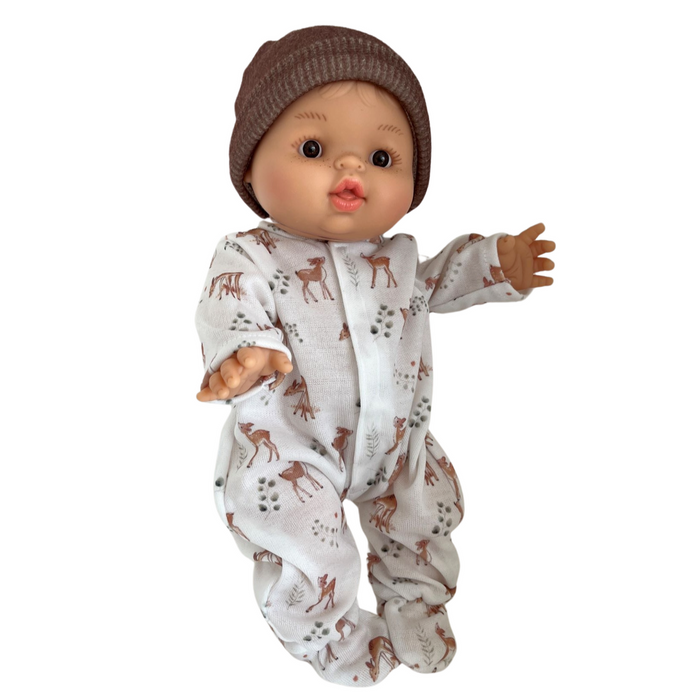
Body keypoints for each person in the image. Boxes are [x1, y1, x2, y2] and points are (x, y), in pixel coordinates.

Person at [195, 26, 555, 686]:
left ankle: (416, 601)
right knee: (305, 543)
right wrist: (246, 351)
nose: (351, 169)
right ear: (249, 167)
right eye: (313, 148)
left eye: (383, 157)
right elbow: (231, 303)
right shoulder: (252, 254)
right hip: (294, 446)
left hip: (397, 443)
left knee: (425, 511)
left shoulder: (400, 259)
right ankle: (332, 639)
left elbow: (444, 278)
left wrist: (499, 264)